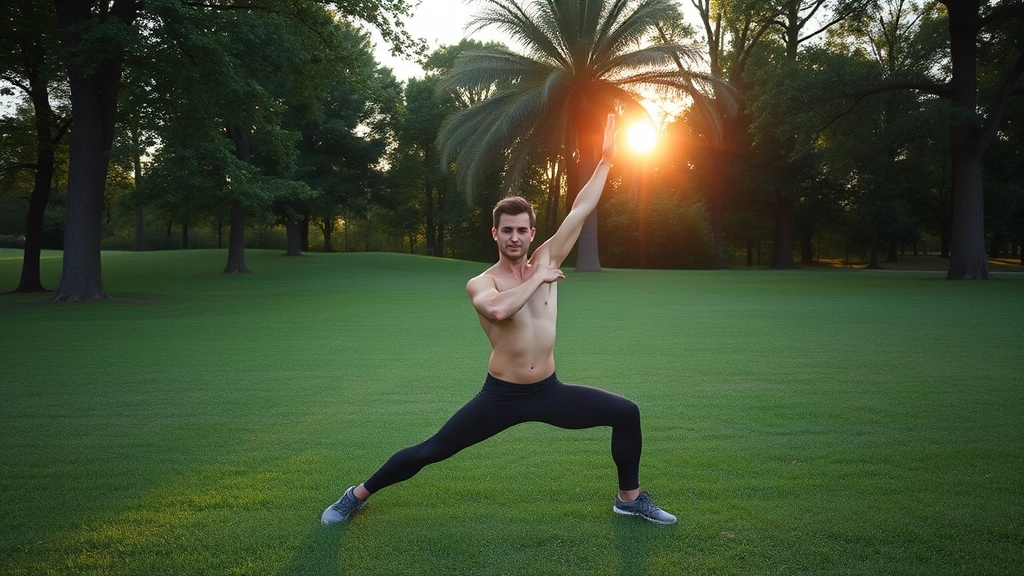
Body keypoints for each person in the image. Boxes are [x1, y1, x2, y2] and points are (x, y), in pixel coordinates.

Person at [322, 113, 676, 525]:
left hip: (549, 390)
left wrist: (606, 161)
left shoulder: (548, 257)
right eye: (506, 230)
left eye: (522, 230)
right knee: (433, 450)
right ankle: (356, 495)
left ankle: (628, 498)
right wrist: (539, 277)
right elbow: (499, 310)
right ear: (495, 234)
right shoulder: (482, 283)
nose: (514, 237)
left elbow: (582, 207)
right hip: (501, 396)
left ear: (531, 232)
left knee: (625, 412)